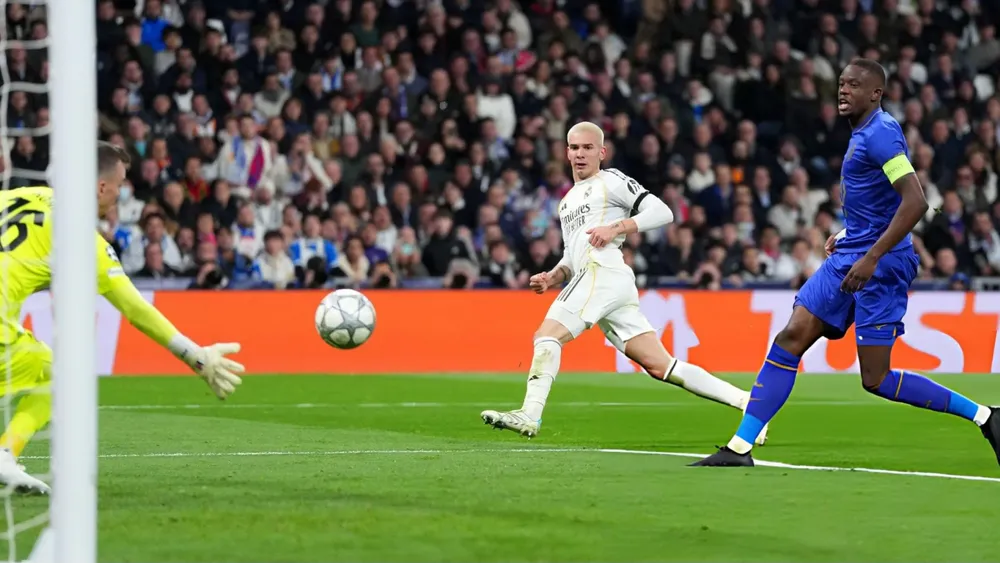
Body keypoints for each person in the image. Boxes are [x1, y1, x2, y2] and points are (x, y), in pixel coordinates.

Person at [693, 59, 1000, 467]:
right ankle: (740, 447)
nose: (843, 91)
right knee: (791, 336)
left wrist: (872, 256)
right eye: (841, 84)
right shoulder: (863, 134)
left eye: (854, 85)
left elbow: (916, 201)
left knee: (876, 379)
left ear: (876, 93)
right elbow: (880, 202)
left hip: (882, 264)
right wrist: (847, 233)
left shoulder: (882, 133)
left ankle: (985, 416)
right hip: (853, 252)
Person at [481, 122, 767, 443]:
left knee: (548, 335)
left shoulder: (610, 181)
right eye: (574, 148)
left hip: (602, 272)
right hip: (597, 277)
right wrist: (552, 276)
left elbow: (662, 212)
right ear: (566, 151)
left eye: (588, 148)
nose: (579, 154)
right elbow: (571, 256)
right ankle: (750, 404)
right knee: (662, 366)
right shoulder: (566, 203)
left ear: (601, 152)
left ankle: (530, 413)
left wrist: (616, 228)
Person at [0, 142, 245, 493]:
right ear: (102, 187)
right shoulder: (83, 242)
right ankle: (5, 453)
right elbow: (135, 309)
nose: (123, 190)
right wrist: (195, 355)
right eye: (122, 181)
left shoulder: (23, 195)